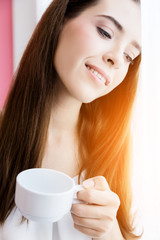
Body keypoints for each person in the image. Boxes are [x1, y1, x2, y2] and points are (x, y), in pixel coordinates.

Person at [0, 0, 142, 239]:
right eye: (105, 32)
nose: (117, 59)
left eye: (129, 56)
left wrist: (110, 233)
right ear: (61, 20)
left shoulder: (116, 153)